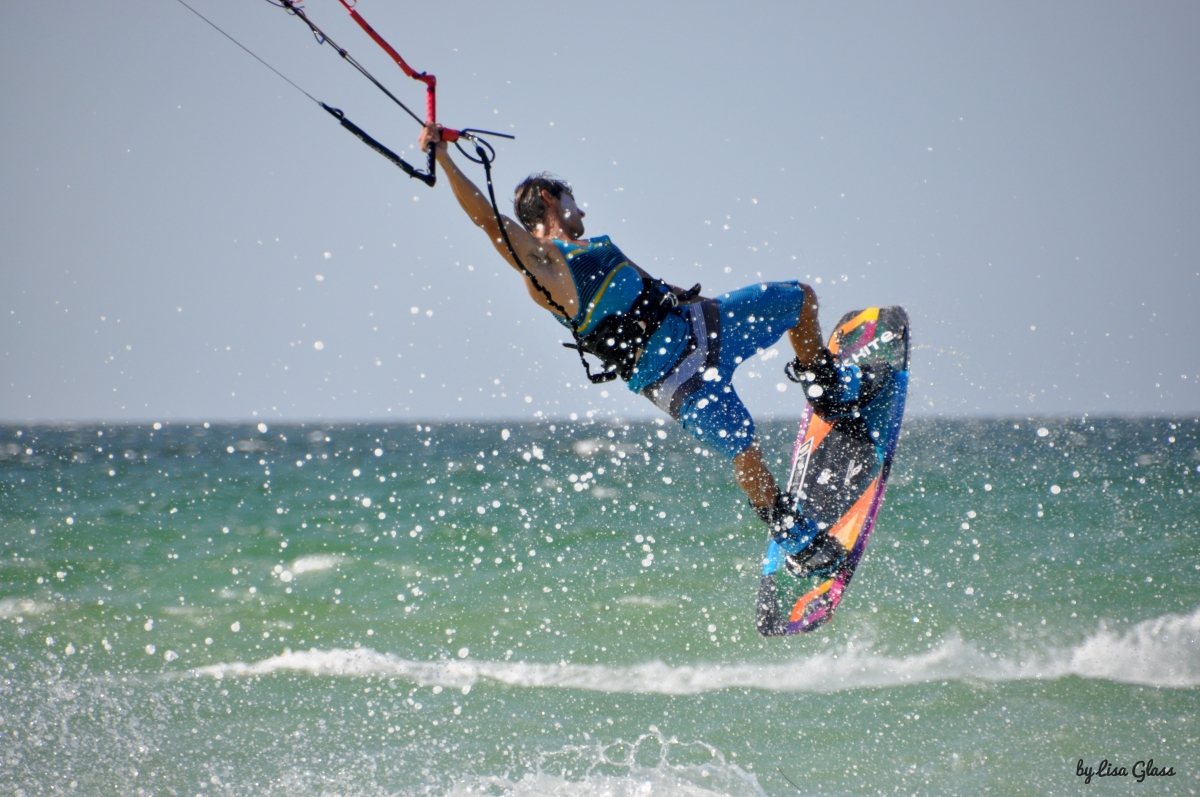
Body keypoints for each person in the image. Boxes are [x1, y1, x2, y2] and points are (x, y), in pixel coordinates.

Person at [418, 125, 890, 578]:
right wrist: (442, 156)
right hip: (671, 377)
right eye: (572, 199)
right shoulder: (547, 268)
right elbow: (490, 222)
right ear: (550, 200)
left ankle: (826, 387)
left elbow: (654, 285)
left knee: (797, 298)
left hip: (701, 326)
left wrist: (714, 308)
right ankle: (794, 536)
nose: (580, 207)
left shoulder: (597, 244)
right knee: (742, 444)